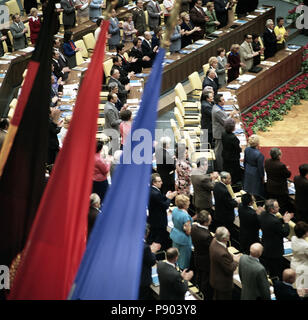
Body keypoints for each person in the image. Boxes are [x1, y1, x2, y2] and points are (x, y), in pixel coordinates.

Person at [259, 199, 293, 280]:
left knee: (270, 269)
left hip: (266, 246)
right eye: (277, 207)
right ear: (271, 209)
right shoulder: (274, 221)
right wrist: (287, 222)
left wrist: (283, 219)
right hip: (275, 251)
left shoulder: (263, 214)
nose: (279, 208)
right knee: (276, 272)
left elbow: (274, 223)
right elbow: (285, 232)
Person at [147, 173, 177, 250]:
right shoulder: (155, 193)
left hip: (153, 219)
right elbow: (165, 206)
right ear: (154, 182)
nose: (162, 183)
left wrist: (166, 196)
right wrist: (170, 198)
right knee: (159, 240)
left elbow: (159, 200)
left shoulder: (152, 190)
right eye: (159, 181)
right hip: (159, 221)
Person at [209, 226, 239, 300]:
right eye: (228, 235)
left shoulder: (214, 241)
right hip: (223, 283)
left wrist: (230, 256)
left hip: (215, 277)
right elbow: (230, 268)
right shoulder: (221, 253)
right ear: (224, 239)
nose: (229, 235)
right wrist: (236, 260)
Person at [191, 210, 214, 299]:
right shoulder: (206, 236)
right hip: (206, 261)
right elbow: (212, 246)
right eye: (210, 220)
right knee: (205, 280)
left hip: (197, 256)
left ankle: (199, 290)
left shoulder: (194, 227)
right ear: (206, 222)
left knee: (199, 276)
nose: (211, 221)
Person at [212, 93, 237, 171]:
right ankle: (220, 168)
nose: (224, 101)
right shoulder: (217, 110)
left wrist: (228, 114)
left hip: (219, 132)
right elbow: (225, 122)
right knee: (219, 152)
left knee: (219, 150)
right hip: (219, 134)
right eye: (222, 100)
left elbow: (223, 116)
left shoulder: (217, 107)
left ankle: (220, 166)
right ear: (219, 102)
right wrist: (231, 115)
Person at [265, 147, 292, 215]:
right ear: (279, 155)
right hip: (280, 189)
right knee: (282, 206)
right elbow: (288, 174)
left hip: (270, 186)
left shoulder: (267, 161)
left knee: (272, 204)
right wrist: (286, 169)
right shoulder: (281, 165)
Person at [170, 195, 193, 270]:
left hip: (175, 235)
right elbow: (188, 231)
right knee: (184, 261)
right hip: (184, 240)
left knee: (175, 256)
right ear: (185, 204)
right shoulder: (185, 216)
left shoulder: (175, 210)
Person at [213, 171, 239, 238]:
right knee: (229, 232)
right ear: (223, 179)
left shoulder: (217, 185)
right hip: (226, 216)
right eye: (229, 178)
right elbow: (229, 204)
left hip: (218, 212)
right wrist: (237, 202)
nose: (230, 180)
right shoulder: (224, 191)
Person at [139, 224, 161, 300]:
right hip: (142, 280)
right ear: (146, 234)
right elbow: (151, 261)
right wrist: (152, 251)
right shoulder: (145, 248)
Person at [243, 134, 265, 199]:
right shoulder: (259, 154)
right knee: (255, 190)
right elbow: (261, 168)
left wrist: (246, 169)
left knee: (248, 189)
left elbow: (245, 161)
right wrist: (262, 177)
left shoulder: (246, 149)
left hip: (247, 170)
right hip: (255, 173)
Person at [222, 118, 242, 185]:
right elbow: (238, 149)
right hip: (233, 158)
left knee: (227, 169)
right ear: (233, 127)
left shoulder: (223, 133)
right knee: (234, 172)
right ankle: (234, 184)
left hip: (225, 155)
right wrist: (240, 149)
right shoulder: (233, 138)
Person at [291, 221, 308, 297]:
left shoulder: (293, 238)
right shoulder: (305, 245)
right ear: (305, 233)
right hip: (303, 268)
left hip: (294, 264)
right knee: (303, 290)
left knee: (296, 286)